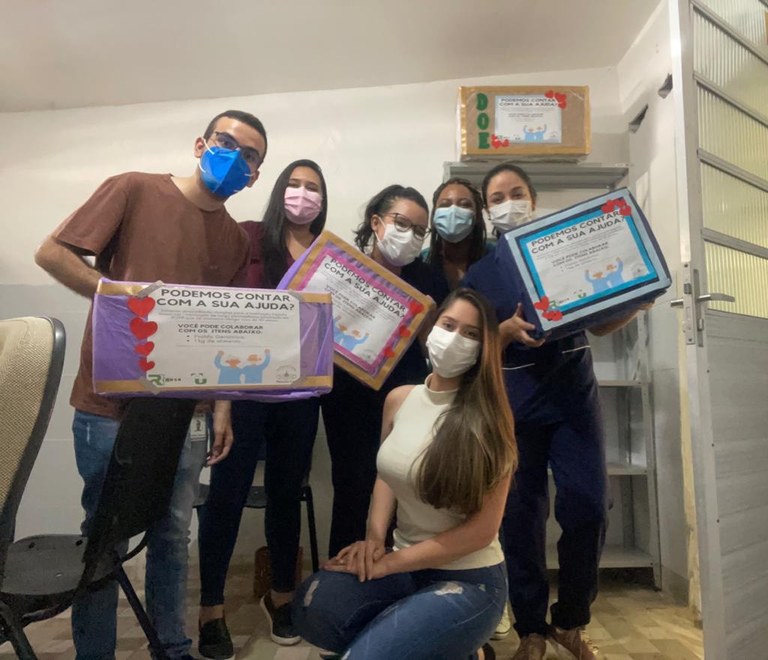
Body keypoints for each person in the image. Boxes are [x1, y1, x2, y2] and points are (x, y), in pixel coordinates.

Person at [34, 110, 268, 659]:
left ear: (255, 175)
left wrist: (222, 407)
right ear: (200, 144)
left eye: (249, 155)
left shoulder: (236, 240)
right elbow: (52, 253)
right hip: (108, 408)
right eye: (226, 142)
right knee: (105, 541)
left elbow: (224, 330)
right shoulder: (134, 189)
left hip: (187, 414)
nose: (235, 157)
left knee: (173, 534)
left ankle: (173, 648)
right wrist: (116, 293)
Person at [463, 162, 648, 660]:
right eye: (497, 197)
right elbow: (470, 346)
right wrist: (502, 333)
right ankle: (530, 628)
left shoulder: (561, 251)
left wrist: (636, 299)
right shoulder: (480, 275)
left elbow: (601, 324)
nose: (508, 203)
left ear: (533, 198)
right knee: (520, 518)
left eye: (516, 193)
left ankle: (570, 620)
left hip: (573, 401)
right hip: (514, 406)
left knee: (589, 506)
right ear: (487, 211)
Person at [294, 288, 517, 660]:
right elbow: (387, 474)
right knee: (314, 608)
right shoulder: (400, 398)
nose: (454, 339)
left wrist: (388, 564)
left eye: (470, 334)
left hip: (468, 580)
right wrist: (374, 540)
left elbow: (482, 531)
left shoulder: (491, 419)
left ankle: (449, 639)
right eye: (448, 325)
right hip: (405, 567)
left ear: (484, 348)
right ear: (431, 328)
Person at [196, 159, 328, 656]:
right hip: (243, 393)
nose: (302, 194)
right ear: (277, 190)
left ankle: (282, 599)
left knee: (286, 496)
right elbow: (221, 311)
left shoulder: (330, 254)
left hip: (300, 397)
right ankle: (211, 611)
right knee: (225, 498)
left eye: (312, 187)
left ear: (323, 199)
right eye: (294, 184)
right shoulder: (248, 236)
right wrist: (221, 402)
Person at [320, 185, 450, 559]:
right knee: (351, 487)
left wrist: (426, 323)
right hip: (348, 399)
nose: (410, 235)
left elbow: (436, 354)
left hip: (407, 400)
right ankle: (343, 571)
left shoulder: (430, 280)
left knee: (401, 484)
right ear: (377, 223)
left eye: (420, 230)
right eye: (401, 223)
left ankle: (394, 571)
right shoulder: (343, 270)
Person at [423, 177, 490, 290]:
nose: (453, 211)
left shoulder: (494, 258)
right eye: (445, 205)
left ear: (477, 216)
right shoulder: (423, 261)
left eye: (464, 204)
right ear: (434, 215)